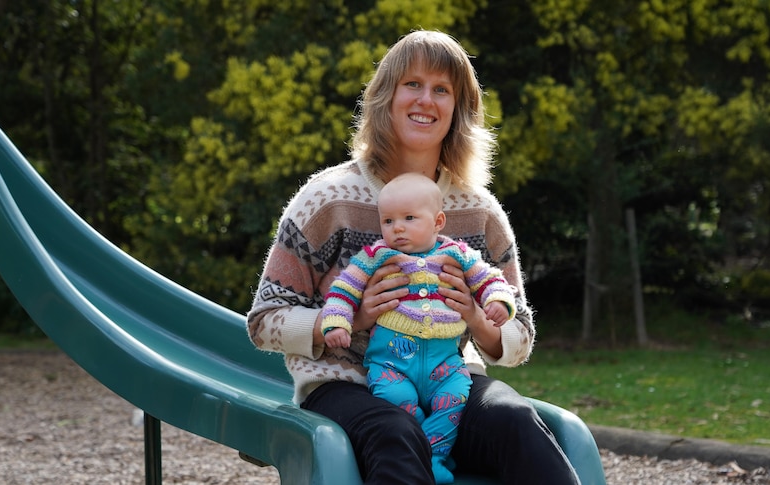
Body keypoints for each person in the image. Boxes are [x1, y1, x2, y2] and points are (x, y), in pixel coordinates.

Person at [247, 29, 580, 484]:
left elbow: (520, 331)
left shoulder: (477, 211)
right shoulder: (327, 200)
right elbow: (265, 320)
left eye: (442, 90)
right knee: (395, 431)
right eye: (413, 84)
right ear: (387, 97)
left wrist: (479, 321)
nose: (426, 100)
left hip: (450, 381)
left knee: (517, 422)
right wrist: (351, 319)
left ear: (458, 111)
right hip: (346, 387)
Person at [320, 172, 516, 483]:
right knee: (398, 404)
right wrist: (337, 320)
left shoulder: (457, 254)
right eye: (388, 221)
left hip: (446, 364)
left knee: (454, 401)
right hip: (392, 363)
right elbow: (344, 289)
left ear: (438, 221)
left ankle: (434, 456)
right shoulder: (376, 256)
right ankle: (422, 453)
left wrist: (498, 301)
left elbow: (490, 278)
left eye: (409, 218)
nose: (397, 228)